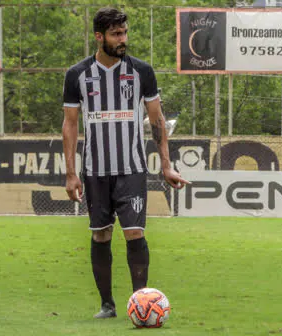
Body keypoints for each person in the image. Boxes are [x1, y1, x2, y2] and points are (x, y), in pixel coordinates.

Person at [62, 7, 189, 319]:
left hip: (131, 169)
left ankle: (140, 301)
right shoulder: (77, 75)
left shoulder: (141, 71)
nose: (123, 39)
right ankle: (107, 305)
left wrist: (166, 165)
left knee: (134, 233)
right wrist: (70, 174)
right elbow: (70, 125)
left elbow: (157, 119)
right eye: (116, 34)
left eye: (125, 33)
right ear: (99, 36)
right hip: (94, 171)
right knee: (101, 234)